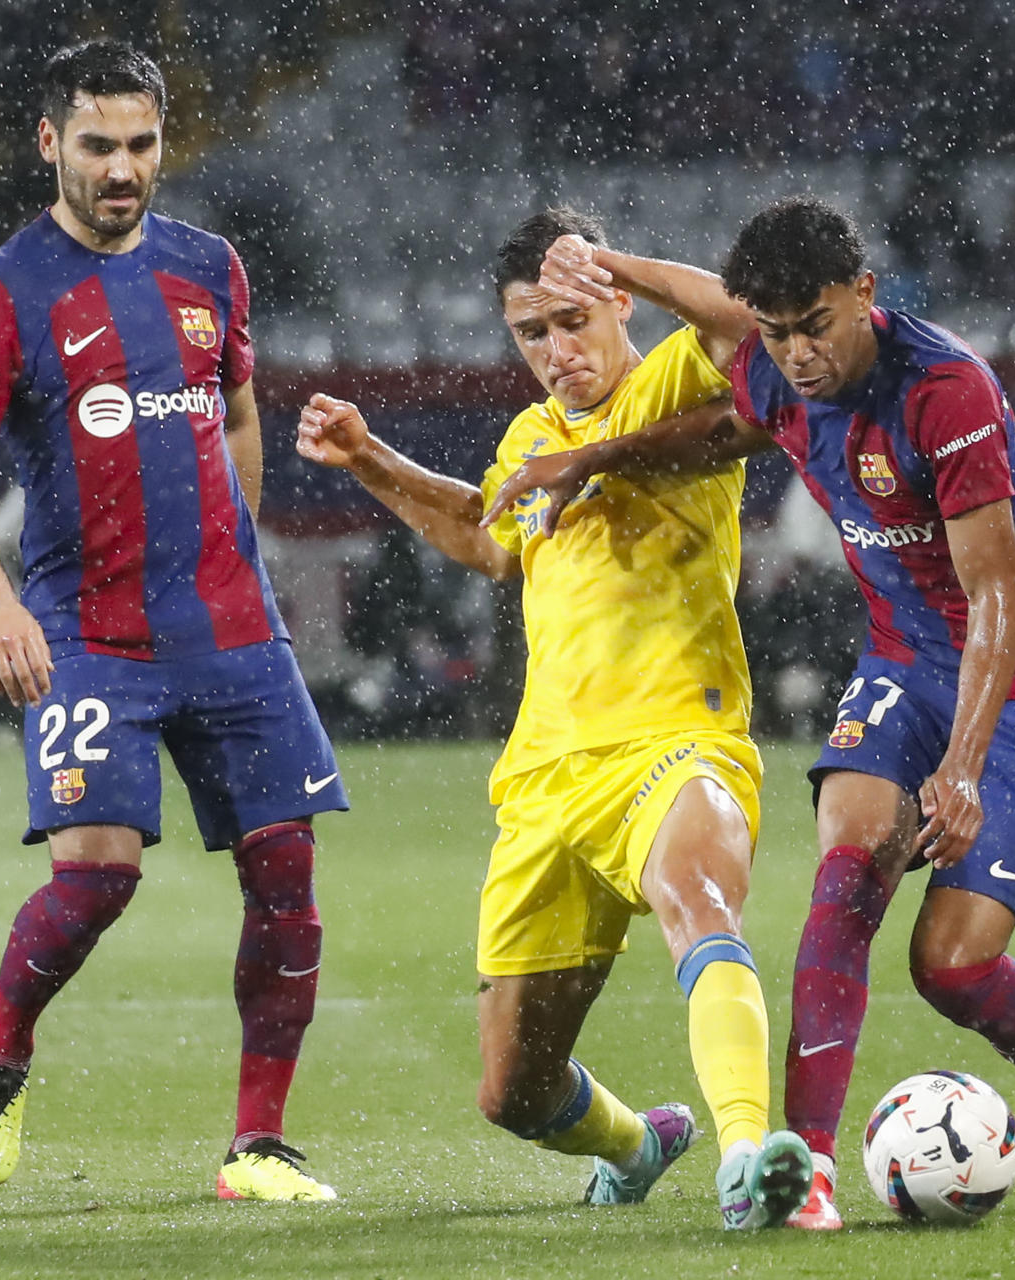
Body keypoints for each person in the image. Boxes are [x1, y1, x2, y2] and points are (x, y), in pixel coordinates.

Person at [494, 196, 1015, 1227]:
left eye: (815, 325)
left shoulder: (945, 390)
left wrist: (961, 768)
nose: (798, 353)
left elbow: (997, 593)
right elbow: (717, 420)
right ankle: (810, 1166)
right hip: (900, 660)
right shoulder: (780, 368)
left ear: (865, 296)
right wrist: (594, 456)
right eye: (776, 333)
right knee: (849, 863)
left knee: (947, 963)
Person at [297, 207, 814, 1230]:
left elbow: (755, 330)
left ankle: (749, 1154)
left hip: (677, 739)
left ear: (617, 302)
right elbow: (490, 536)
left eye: (573, 321)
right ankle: (639, 1141)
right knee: (513, 1093)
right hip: (544, 782)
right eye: (531, 334)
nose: (555, 352)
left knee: (699, 901)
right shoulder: (531, 436)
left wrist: (623, 257)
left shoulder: (672, 378)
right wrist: (369, 457)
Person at [0, 38, 345, 1204]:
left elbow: (242, 413)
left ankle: (256, 1143)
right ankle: (2, 1054)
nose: (122, 168)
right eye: (99, 144)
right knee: (98, 877)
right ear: (51, 142)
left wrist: (241, 555)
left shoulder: (211, 267)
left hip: (227, 631)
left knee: (287, 875)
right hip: (87, 630)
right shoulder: (6, 287)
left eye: (142, 144)